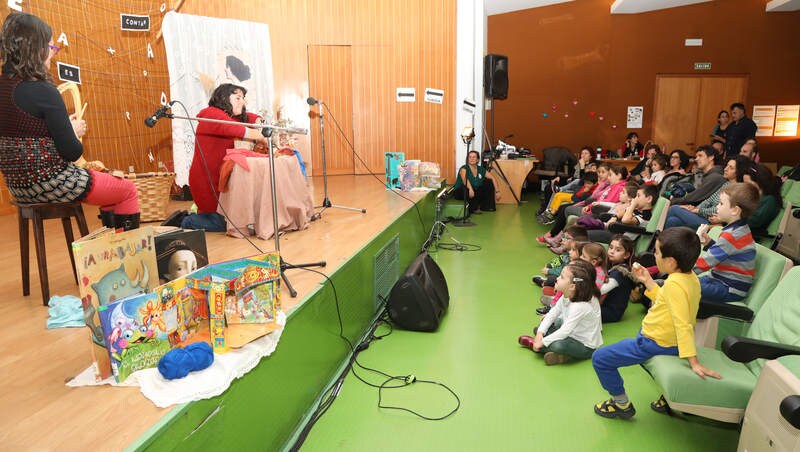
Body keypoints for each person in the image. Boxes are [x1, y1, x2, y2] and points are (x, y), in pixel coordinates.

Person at [0, 13, 140, 230]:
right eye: (51, 48)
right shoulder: (44, 90)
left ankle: (113, 251)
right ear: (35, 49)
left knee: (112, 191)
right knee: (127, 190)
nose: (52, 55)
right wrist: (72, 130)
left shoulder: (4, 87)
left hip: (18, 187)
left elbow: (26, 134)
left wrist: (60, 125)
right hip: (52, 183)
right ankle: (127, 258)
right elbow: (72, 152)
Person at [591, 227, 721, 419]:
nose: (654, 255)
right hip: (666, 341)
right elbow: (667, 301)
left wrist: (693, 361)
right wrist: (649, 281)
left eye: (657, 252)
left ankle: (621, 404)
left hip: (655, 343)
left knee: (600, 359)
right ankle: (666, 399)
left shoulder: (675, 284)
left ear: (670, 261)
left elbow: (682, 323)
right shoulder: (689, 278)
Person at [177, 83, 268, 231]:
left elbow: (248, 118)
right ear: (224, 98)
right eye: (238, 98)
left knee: (236, 219)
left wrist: (259, 120)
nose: (242, 102)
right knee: (228, 224)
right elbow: (235, 128)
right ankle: (187, 221)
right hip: (207, 181)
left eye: (243, 98)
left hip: (222, 178)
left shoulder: (230, 117)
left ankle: (201, 218)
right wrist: (261, 136)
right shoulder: (210, 114)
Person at [519, 260, 602, 365]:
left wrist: (542, 341)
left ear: (572, 286)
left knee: (558, 345)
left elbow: (565, 331)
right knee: (538, 329)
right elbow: (552, 314)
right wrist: (540, 333)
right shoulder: (565, 296)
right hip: (571, 335)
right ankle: (560, 355)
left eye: (562, 277)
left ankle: (536, 345)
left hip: (585, 346)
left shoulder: (580, 306)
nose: (557, 278)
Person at [695, 182, 760, 303]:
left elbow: (706, 262)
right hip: (718, 279)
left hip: (728, 288)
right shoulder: (739, 230)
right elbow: (725, 252)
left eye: (721, 203)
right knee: (684, 283)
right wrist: (708, 242)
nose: (717, 207)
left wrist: (680, 270)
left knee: (684, 286)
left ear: (735, 210)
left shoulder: (732, 235)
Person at [664, 156, 751, 229]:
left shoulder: (738, 190)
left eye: (731, 168)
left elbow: (719, 209)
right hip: (704, 216)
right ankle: (661, 246)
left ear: (739, 171)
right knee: (672, 221)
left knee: (675, 208)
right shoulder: (725, 184)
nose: (726, 169)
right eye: (727, 166)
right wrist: (694, 209)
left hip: (714, 223)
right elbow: (709, 200)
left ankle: (654, 241)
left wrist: (698, 210)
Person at [599, 235, 635, 323]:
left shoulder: (621, 271)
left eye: (618, 250)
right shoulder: (611, 266)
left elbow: (601, 290)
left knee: (578, 310)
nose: (612, 252)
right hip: (603, 306)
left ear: (626, 255)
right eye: (611, 248)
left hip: (611, 312)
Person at [453, 150, 498, 214]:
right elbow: (465, 180)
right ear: (467, 159)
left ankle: (486, 206)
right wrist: (470, 189)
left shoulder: (480, 169)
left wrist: (497, 191)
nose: (471, 159)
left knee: (488, 182)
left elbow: (493, 178)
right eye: (470, 157)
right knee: (467, 189)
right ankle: (472, 209)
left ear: (477, 160)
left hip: (474, 190)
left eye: (474, 157)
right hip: (461, 191)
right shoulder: (463, 168)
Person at [743, 164, 782, 238]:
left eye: (748, 184)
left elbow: (754, 221)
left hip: (751, 238)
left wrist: (728, 217)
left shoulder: (770, 200)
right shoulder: (755, 196)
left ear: (760, 182)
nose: (745, 187)